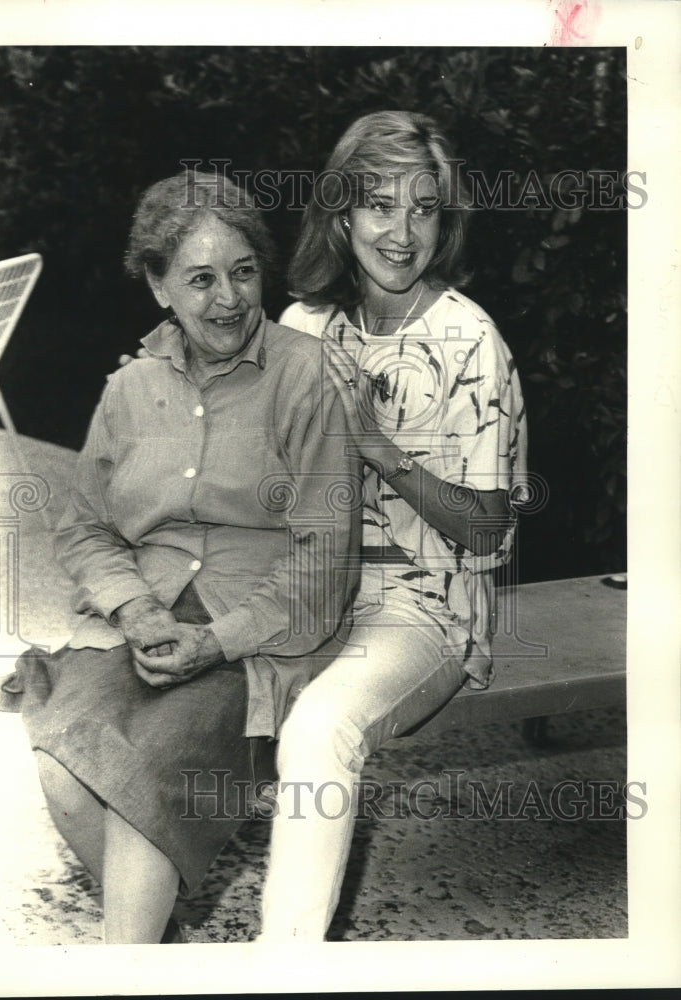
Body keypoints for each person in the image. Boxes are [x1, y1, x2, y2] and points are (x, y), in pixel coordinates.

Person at [0, 171, 361, 944]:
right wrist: (134, 608)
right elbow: (83, 526)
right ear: (160, 288)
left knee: (147, 778)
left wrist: (214, 642)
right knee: (63, 766)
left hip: (258, 626)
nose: (227, 298)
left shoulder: (307, 378)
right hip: (147, 615)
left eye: (242, 272)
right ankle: (155, 944)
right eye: (199, 279)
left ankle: (128, 962)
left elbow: (326, 553)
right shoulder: (130, 388)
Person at [257, 110, 528, 941]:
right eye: (380, 205)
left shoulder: (469, 341)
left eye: (423, 208)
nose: (401, 232)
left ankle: (282, 966)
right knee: (151, 691)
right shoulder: (304, 325)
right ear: (341, 214)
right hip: (312, 587)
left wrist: (376, 447)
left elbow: (485, 532)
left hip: (422, 608)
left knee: (319, 727)